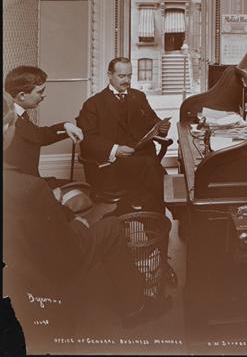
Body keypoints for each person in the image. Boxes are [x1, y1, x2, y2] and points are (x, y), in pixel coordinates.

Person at [2, 91, 172, 345]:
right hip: (48, 265)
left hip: (16, 268)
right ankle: (135, 307)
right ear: (6, 131)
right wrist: (82, 222)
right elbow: (68, 248)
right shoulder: (29, 189)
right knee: (110, 226)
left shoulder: (20, 184)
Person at [77, 57, 171, 215]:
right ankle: (163, 218)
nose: (126, 80)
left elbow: (152, 121)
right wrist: (116, 149)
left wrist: (161, 127)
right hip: (114, 166)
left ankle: (152, 221)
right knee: (154, 172)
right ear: (109, 75)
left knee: (152, 173)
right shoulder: (93, 104)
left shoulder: (138, 97)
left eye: (129, 76)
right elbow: (88, 140)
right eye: (121, 76)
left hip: (142, 157)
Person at [4, 66, 83, 187]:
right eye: (40, 92)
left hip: (30, 183)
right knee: (79, 190)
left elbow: (36, 135)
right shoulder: (8, 120)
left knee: (79, 188)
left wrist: (65, 126)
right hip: (22, 187)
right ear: (21, 95)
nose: (44, 95)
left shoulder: (20, 115)